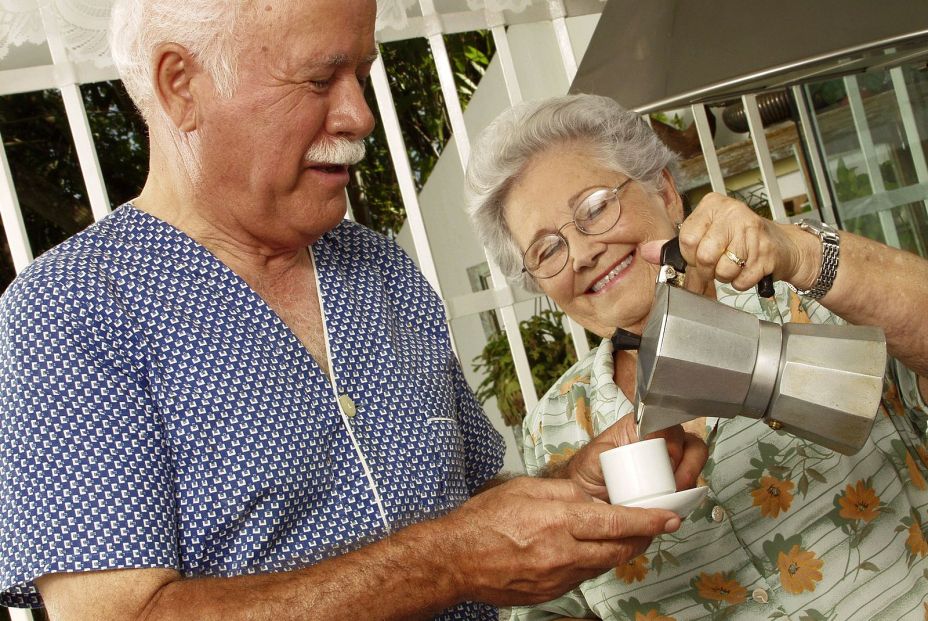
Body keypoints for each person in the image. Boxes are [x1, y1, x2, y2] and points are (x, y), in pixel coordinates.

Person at [0, 4, 712, 621]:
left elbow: (466, 507)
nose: (359, 115)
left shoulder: (381, 268)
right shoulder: (70, 312)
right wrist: (447, 564)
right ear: (180, 85)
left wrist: (574, 484)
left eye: (361, 74)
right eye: (319, 79)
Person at [465, 93, 928, 620]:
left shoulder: (804, 302)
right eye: (547, 250)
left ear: (664, 192)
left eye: (594, 207)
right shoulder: (553, 426)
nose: (583, 252)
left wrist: (798, 251)